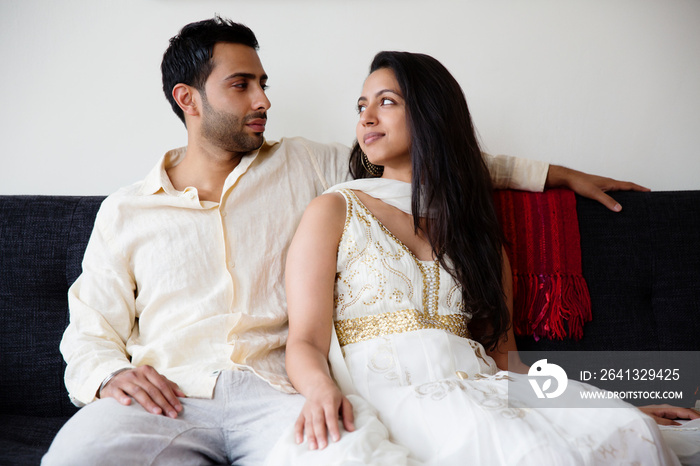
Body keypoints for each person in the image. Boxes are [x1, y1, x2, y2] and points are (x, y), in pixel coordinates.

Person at [42, 17, 684, 466]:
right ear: (189, 99)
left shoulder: (311, 166)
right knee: (77, 456)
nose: (264, 99)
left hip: (281, 394)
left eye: (264, 82)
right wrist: (107, 378)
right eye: (242, 85)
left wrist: (557, 177)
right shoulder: (126, 210)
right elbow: (89, 325)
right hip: (172, 394)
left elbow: (437, 159)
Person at [272, 51, 696, 465]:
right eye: (362, 105)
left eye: (387, 102)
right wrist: (320, 391)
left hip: (483, 388)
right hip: (390, 397)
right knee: (536, 455)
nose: (366, 117)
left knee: (631, 435)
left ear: (431, 115)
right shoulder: (334, 210)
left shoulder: (475, 233)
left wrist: (613, 405)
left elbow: (504, 360)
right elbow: (306, 341)